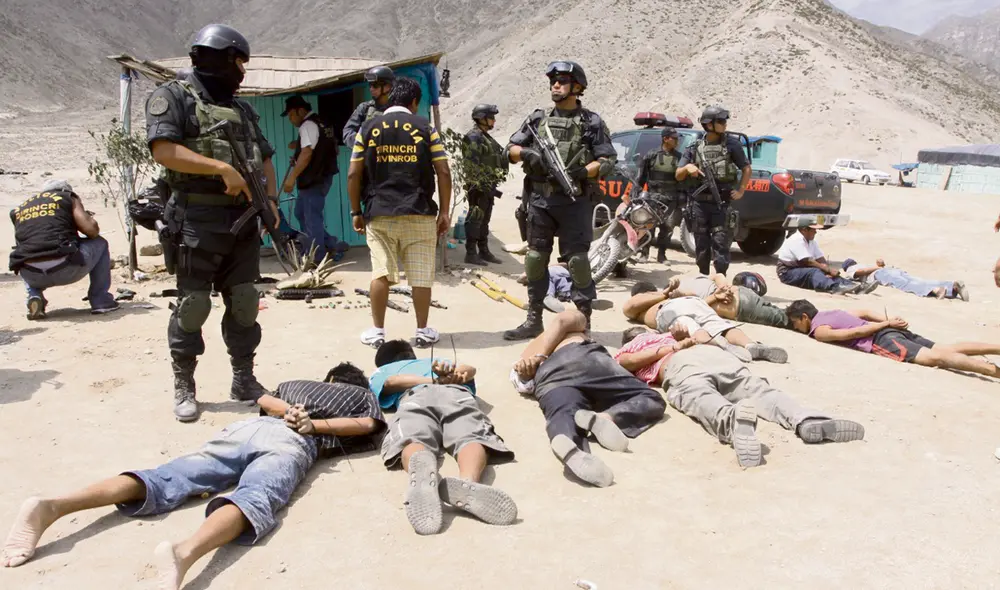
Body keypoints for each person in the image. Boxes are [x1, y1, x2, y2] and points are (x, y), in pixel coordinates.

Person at [1, 363, 385, 589]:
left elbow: (263, 399)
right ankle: (184, 553)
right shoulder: (361, 395)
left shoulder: (295, 385)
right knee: (256, 496)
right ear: (353, 383)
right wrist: (312, 425)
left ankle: (53, 506)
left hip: (247, 429)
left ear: (329, 377)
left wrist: (290, 412)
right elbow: (367, 423)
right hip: (290, 444)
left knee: (168, 475)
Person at [145, 24, 278, 422]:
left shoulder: (241, 108)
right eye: (239, 61)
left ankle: (244, 379)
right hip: (196, 219)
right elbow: (164, 150)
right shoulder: (173, 97)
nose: (242, 70)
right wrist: (220, 167)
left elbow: (265, 157)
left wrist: (269, 201)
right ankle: (185, 385)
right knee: (193, 305)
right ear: (219, 57)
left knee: (244, 302)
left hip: (243, 219)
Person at [614, 326, 864, 468]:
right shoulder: (664, 337)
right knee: (759, 390)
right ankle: (805, 419)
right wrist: (680, 339)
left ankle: (733, 421)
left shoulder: (639, 343)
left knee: (697, 395)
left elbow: (626, 362)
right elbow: (703, 336)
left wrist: (676, 343)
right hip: (713, 357)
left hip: (680, 363)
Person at [503, 61, 617, 340]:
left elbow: (608, 159)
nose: (555, 85)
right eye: (553, 80)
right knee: (534, 259)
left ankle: (582, 319)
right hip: (541, 202)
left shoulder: (591, 122)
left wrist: (583, 171)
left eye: (562, 80)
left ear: (577, 87)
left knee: (577, 261)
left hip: (575, 201)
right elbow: (509, 149)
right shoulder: (537, 119)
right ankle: (534, 319)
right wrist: (527, 154)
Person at [370, 340, 516, 535]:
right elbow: (469, 369)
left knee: (412, 438)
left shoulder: (383, 370)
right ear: (411, 354)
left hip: (414, 396)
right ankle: (469, 481)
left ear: (382, 362)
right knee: (469, 435)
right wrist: (450, 376)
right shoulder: (436, 362)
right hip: (455, 393)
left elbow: (390, 383)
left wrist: (433, 381)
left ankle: (421, 473)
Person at [347, 77, 452, 348]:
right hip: (419, 211)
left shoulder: (368, 128)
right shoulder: (426, 128)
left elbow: (353, 173)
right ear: (414, 102)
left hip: (379, 212)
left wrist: (355, 210)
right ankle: (423, 331)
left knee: (380, 273)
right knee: (420, 275)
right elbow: (443, 171)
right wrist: (444, 212)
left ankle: (377, 332)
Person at [508, 310, 667, 487]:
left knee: (562, 413)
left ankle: (568, 442)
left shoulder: (530, 349)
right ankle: (607, 417)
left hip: (549, 378)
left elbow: (523, 384)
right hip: (583, 358)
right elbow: (563, 319)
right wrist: (540, 357)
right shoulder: (573, 328)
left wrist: (527, 371)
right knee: (650, 397)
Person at [786, 300, 1000, 378]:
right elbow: (865, 311)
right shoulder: (831, 312)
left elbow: (853, 334)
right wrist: (891, 320)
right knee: (946, 348)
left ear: (804, 317)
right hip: (889, 330)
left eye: (795, 323)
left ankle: (991, 371)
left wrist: (886, 324)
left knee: (937, 358)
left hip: (881, 338)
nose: (796, 327)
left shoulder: (818, 329)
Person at [8, 179, 118, 319]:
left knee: (25, 252)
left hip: (32, 275)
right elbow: (92, 230)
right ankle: (101, 301)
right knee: (100, 243)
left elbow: (22, 242)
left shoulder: (20, 209)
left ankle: (34, 296)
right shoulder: (67, 197)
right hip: (65, 269)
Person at [623, 281, 788, 363]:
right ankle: (750, 345)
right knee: (717, 324)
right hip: (693, 302)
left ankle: (725, 347)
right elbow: (630, 307)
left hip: (671, 309)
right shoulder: (664, 295)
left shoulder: (650, 300)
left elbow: (629, 307)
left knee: (689, 325)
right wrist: (666, 293)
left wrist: (665, 294)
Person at [675, 106, 752, 276]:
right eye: (721, 121)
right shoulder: (694, 147)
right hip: (699, 204)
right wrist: (688, 167)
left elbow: (746, 168)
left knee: (721, 244)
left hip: (721, 204)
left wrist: (741, 191)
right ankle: (703, 277)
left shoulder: (732, 144)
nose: (725, 125)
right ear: (709, 125)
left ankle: (720, 280)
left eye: (725, 121)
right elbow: (678, 174)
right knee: (701, 245)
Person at [280, 95, 340, 264]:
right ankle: (330, 243)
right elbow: (324, 145)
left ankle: (316, 258)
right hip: (323, 175)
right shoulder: (322, 122)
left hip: (314, 178)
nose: (291, 119)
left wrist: (291, 178)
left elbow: (307, 153)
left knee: (311, 217)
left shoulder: (307, 125)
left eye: (292, 115)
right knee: (301, 212)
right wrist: (297, 148)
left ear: (301, 111)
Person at [462, 103, 509, 266]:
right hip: (479, 187)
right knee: (475, 219)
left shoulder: (485, 137)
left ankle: (483, 250)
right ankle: (471, 253)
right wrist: (480, 185)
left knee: (484, 220)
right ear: (482, 118)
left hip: (488, 186)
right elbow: (471, 165)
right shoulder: (474, 137)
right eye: (491, 117)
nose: (494, 121)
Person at [664, 272, 789, 329]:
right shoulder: (692, 278)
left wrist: (723, 289)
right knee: (786, 314)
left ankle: (807, 320)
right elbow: (718, 276)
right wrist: (722, 290)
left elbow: (697, 306)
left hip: (740, 305)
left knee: (788, 320)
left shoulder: (686, 287)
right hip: (742, 295)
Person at [633, 126, 684, 263]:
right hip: (652, 197)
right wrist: (636, 195)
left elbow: (682, 181)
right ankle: (644, 254)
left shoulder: (679, 158)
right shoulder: (651, 155)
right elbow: (641, 177)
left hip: (670, 198)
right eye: (674, 138)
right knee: (648, 226)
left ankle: (662, 255)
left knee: (667, 228)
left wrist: (681, 198)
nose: (677, 141)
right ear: (665, 139)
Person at [775, 225, 874, 295]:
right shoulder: (796, 240)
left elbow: (820, 258)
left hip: (802, 271)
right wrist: (826, 270)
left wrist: (827, 270)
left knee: (827, 273)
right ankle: (834, 288)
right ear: (804, 230)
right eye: (813, 229)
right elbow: (807, 261)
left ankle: (855, 287)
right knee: (815, 271)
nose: (816, 232)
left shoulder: (811, 241)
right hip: (787, 273)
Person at [841, 258, 969, 301]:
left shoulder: (850, 270)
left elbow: (860, 272)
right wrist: (879, 265)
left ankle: (936, 290)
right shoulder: (863, 263)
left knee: (907, 285)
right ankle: (953, 286)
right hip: (892, 270)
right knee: (919, 280)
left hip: (881, 274)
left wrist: (876, 267)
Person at [342, 65, 394, 145]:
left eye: (375, 85)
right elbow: (347, 133)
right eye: (370, 85)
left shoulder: (398, 108)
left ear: (388, 86)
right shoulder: (364, 108)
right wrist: (365, 142)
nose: (371, 89)